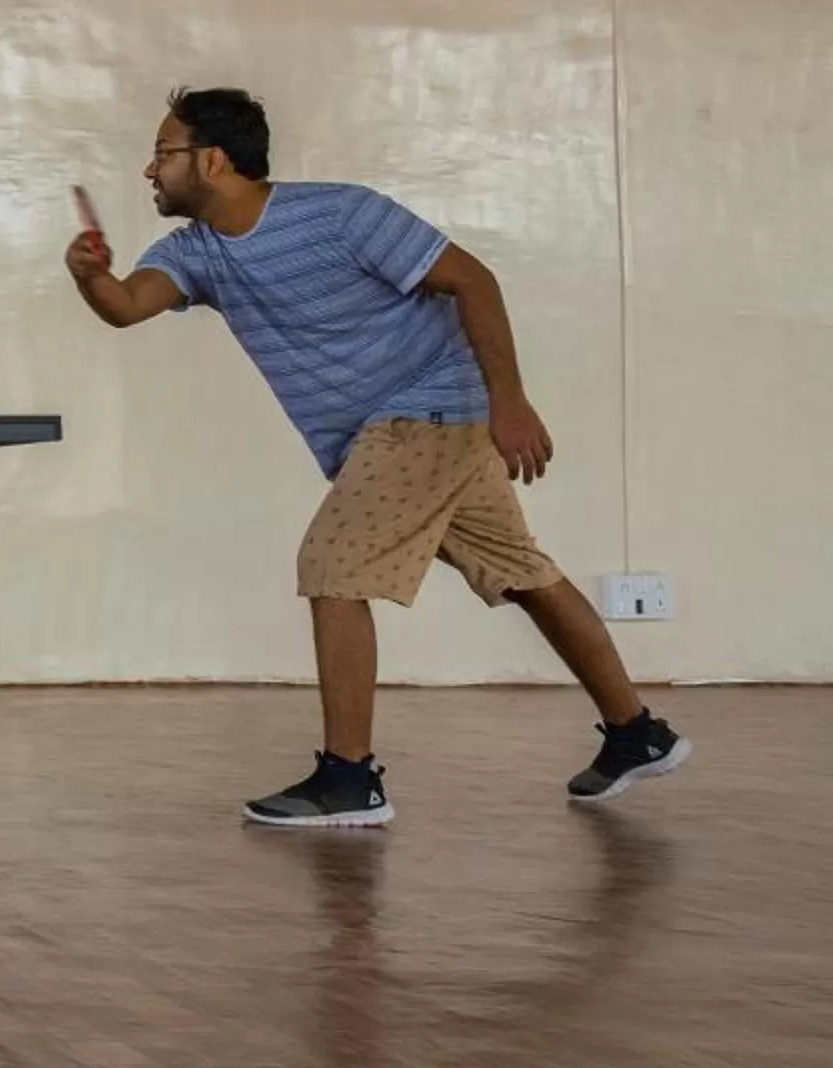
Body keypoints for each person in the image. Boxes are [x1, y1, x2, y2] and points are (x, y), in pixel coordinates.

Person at [66, 86, 688, 827]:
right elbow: (129, 305)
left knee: (333, 566)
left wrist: (509, 401)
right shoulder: (195, 251)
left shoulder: (341, 215)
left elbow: (471, 279)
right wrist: (89, 277)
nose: (150, 170)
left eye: (163, 153)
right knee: (522, 572)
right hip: (382, 434)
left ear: (214, 159)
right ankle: (636, 733)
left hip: (430, 408)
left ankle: (349, 780)